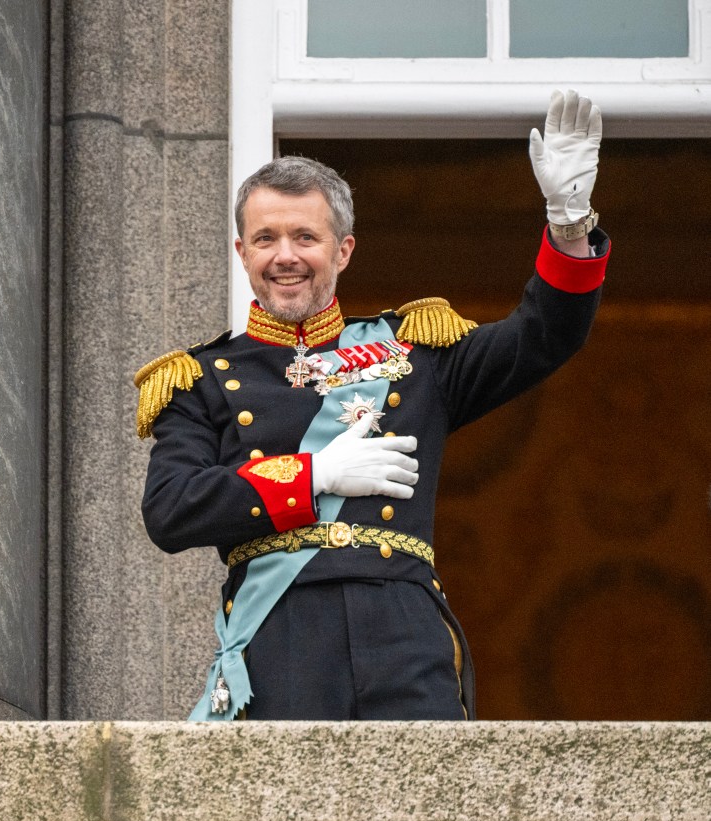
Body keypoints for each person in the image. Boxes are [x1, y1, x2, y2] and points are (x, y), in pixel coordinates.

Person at [136, 89, 611, 722]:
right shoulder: (200, 377)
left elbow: (545, 334)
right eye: (266, 238)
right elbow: (170, 509)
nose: (286, 256)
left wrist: (568, 223)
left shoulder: (415, 352)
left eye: (306, 236)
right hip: (282, 634)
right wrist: (314, 477)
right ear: (241, 252)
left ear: (343, 250)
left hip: (403, 629)